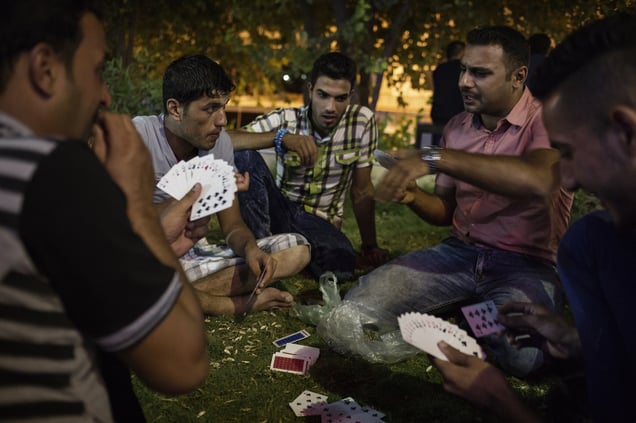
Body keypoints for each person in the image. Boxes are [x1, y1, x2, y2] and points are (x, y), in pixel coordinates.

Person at [318, 26, 573, 377]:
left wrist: (436, 157)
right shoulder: (457, 127)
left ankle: (470, 312)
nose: (464, 82)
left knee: (525, 358)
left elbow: (538, 180)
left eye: (480, 73)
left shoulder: (548, 119)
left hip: (526, 264)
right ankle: (470, 307)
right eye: (464, 70)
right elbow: (445, 212)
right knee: (360, 304)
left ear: (518, 76)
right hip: (460, 253)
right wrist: (412, 196)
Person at [0, 1, 209, 421]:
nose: (105, 94)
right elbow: (184, 363)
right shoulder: (54, 172)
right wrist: (136, 207)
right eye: (96, 71)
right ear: (45, 68)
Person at [432, 13, 636, 423]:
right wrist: (578, 342)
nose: (570, 181)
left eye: (570, 153)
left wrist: (503, 404)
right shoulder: (597, 242)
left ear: (625, 132)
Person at [133, 54, 311, 317]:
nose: (222, 120)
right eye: (210, 108)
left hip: (190, 261)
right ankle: (225, 302)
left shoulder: (220, 145)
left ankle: (170, 297)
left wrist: (250, 248)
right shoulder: (138, 137)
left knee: (297, 249)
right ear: (174, 109)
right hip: (141, 257)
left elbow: (233, 226)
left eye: (224, 107)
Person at [228, 52, 390, 282]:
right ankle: (263, 247)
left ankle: (286, 258)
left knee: (342, 264)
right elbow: (227, 140)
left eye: (340, 98)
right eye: (323, 95)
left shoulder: (361, 122)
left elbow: (362, 190)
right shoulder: (287, 119)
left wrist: (370, 246)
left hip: (321, 224)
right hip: (281, 213)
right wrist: (281, 138)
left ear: (351, 96)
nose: (330, 107)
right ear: (310, 89)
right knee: (244, 152)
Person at [430, 41, 466, 145]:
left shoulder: (439, 69)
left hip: (438, 115)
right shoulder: (464, 69)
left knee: (437, 150)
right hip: (458, 116)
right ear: (461, 53)